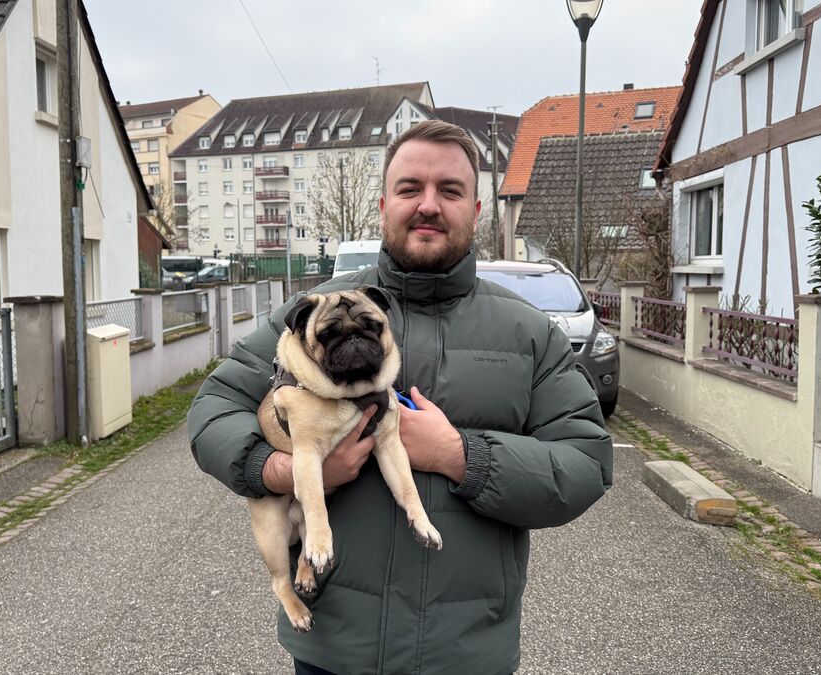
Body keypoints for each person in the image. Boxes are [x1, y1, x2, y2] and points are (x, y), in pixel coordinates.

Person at [187, 120, 613, 675]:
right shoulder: (315, 313)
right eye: (411, 189)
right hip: (335, 651)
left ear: (477, 211)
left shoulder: (528, 332)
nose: (428, 205)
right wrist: (285, 469)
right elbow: (211, 411)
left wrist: (459, 454)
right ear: (384, 204)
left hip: (467, 656)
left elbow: (586, 464)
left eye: (450, 191)